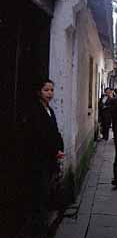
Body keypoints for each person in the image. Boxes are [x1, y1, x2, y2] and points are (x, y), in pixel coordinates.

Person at [27, 78, 64, 238]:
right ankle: (38, 229)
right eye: (46, 90)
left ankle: (44, 225)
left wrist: (60, 148)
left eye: (51, 90)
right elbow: (39, 137)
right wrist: (53, 151)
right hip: (40, 159)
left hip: (50, 159)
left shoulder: (50, 110)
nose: (50, 93)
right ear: (38, 92)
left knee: (47, 192)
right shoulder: (35, 111)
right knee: (39, 194)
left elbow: (55, 132)